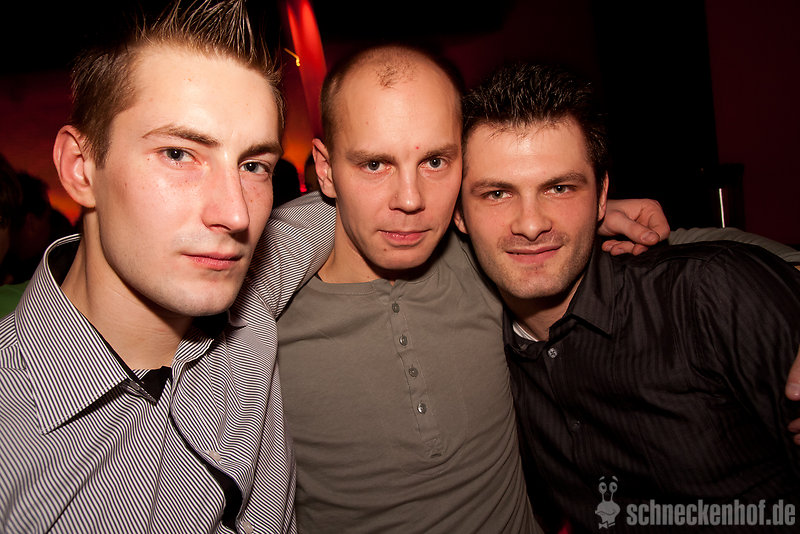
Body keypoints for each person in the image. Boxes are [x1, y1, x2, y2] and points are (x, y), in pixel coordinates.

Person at [274, 44, 691, 533]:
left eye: (435, 161)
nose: (410, 200)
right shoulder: (259, 326)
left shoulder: (485, 264)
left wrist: (588, 215)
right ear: (325, 169)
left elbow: (675, 255)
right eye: (374, 165)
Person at [0, 1, 335, 532]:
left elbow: (371, 204)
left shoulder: (253, 292)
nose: (236, 214)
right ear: (81, 169)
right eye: (179, 154)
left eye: (253, 165)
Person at [454, 62, 800, 533]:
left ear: (601, 197)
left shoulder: (707, 297)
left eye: (560, 188)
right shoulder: (473, 345)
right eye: (497, 193)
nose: (531, 224)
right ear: (459, 213)